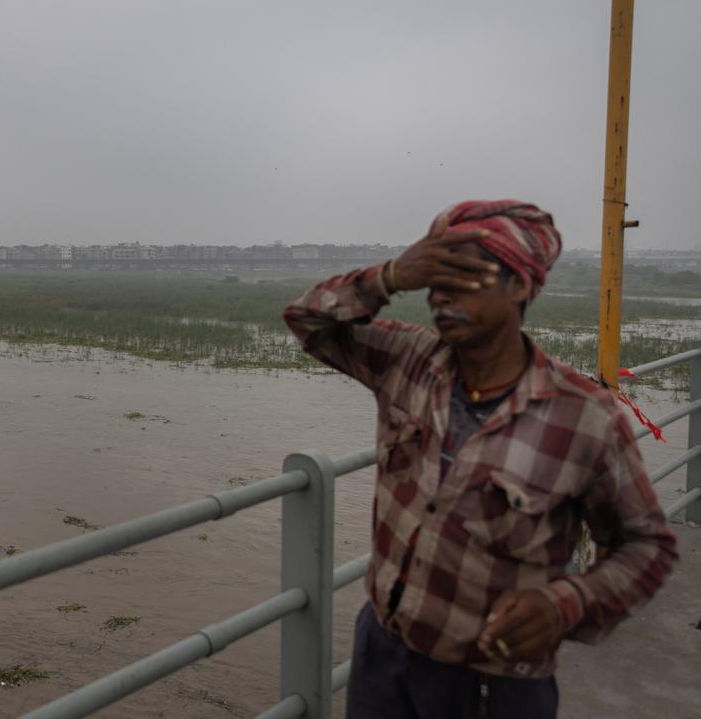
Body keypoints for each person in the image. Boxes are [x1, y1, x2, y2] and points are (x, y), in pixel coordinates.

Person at [282, 200, 677, 718]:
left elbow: (646, 545)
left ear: (519, 286)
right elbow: (307, 320)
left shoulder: (583, 417)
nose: (441, 296)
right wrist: (392, 275)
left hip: (495, 685)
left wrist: (567, 604)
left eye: (465, 277)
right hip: (383, 654)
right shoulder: (410, 361)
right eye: (435, 281)